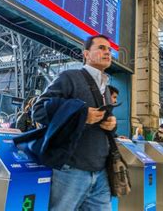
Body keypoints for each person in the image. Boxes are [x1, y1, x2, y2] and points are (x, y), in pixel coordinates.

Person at [32, 34, 117, 210]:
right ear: (86, 54)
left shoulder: (106, 88)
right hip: (72, 170)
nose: (107, 52)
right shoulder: (69, 77)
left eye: (109, 49)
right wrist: (81, 114)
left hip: (101, 171)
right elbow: (39, 110)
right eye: (101, 48)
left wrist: (111, 125)